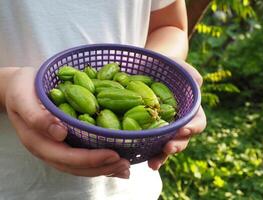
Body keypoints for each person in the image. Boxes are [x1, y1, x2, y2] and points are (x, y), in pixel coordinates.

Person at [0, 0, 206, 199]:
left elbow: (169, 26)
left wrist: (161, 67)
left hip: (131, 189)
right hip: (14, 184)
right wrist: (6, 87)